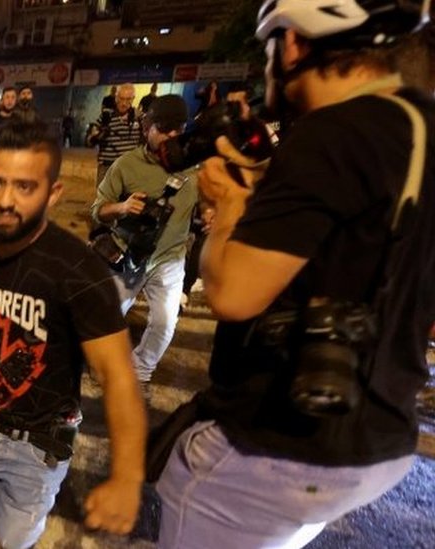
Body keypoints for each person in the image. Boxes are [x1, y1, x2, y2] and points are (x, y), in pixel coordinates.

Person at [156, 1, 435, 548]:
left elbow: (234, 293)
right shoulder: (420, 124)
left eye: (269, 48)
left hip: (282, 442)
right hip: (383, 434)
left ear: (294, 44)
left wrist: (228, 207)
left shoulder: (332, 135)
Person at [0, 120, 146, 548]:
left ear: (53, 194)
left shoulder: (79, 272)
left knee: (17, 543)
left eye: (25, 187)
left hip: (38, 443)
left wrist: (127, 477)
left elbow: (118, 376)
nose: (5, 201)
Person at [91, 95, 197, 388]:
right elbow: (97, 210)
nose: (170, 136)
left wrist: (213, 210)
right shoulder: (127, 165)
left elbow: (215, 200)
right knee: (108, 317)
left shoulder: (196, 167)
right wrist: (121, 208)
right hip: (127, 256)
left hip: (169, 259)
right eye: (163, 128)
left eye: (177, 129)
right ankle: (102, 364)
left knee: (165, 322)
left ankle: (140, 372)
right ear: (147, 126)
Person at [87, 82, 140, 188]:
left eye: (128, 99)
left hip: (129, 167)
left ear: (133, 99)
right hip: (107, 166)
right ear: (116, 98)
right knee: (103, 201)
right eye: (121, 98)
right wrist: (98, 135)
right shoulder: (106, 116)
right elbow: (89, 141)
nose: (124, 103)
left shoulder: (139, 117)